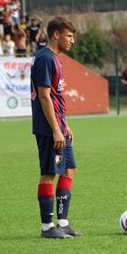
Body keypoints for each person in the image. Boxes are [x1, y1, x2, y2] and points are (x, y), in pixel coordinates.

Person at [30, 16, 82, 239]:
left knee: (69, 168)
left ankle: (63, 222)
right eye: (69, 36)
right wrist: (56, 129)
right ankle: (46, 227)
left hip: (59, 125)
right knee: (49, 173)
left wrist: (64, 124)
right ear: (56, 34)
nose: (72, 41)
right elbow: (43, 96)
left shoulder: (55, 59)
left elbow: (55, 95)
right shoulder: (45, 59)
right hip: (49, 128)